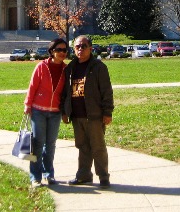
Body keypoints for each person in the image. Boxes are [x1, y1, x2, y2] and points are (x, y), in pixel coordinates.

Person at [61, 35, 114, 188]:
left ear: (90, 48)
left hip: (94, 115)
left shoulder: (98, 67)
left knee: (98, 147)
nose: (80, 49)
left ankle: (103, 177)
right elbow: (65, 93)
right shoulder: (70, 68)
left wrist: (107, 112)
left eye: (84, 46)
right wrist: (65, 112)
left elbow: (106, 91)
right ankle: (83, 176)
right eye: (77, 46)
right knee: (82, 147)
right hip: (77, 116)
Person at [24, 37, 68, 187]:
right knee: (37, 143)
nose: (62, 53)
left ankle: (49, 174)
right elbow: (32, 86)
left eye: (64, 50)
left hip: (55, 111)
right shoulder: (41, 67)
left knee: (50, 144)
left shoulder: (65, 69)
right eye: (58, 50)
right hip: (39, 110)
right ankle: (35, 177)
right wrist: (28, 104)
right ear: (51, 51)